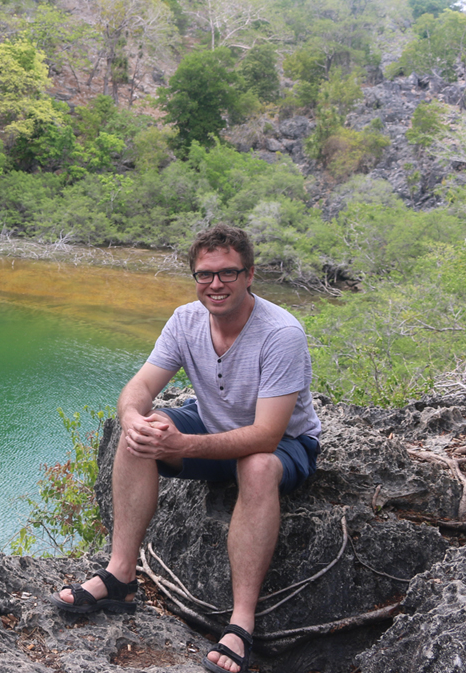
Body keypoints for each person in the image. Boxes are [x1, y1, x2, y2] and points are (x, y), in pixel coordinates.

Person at [49, 224, 321, 673]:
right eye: (205, 274)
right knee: (140, 435)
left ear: (250, 274)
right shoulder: (185, 320)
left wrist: (183, 443)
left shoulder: (280, 334)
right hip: (211, 425)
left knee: (255, 467)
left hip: (286, 444)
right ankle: (120, 575)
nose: (215, 284)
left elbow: (267, 435)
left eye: (228, 273)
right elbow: (139, 388)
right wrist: (134, 419)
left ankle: (240, 621)